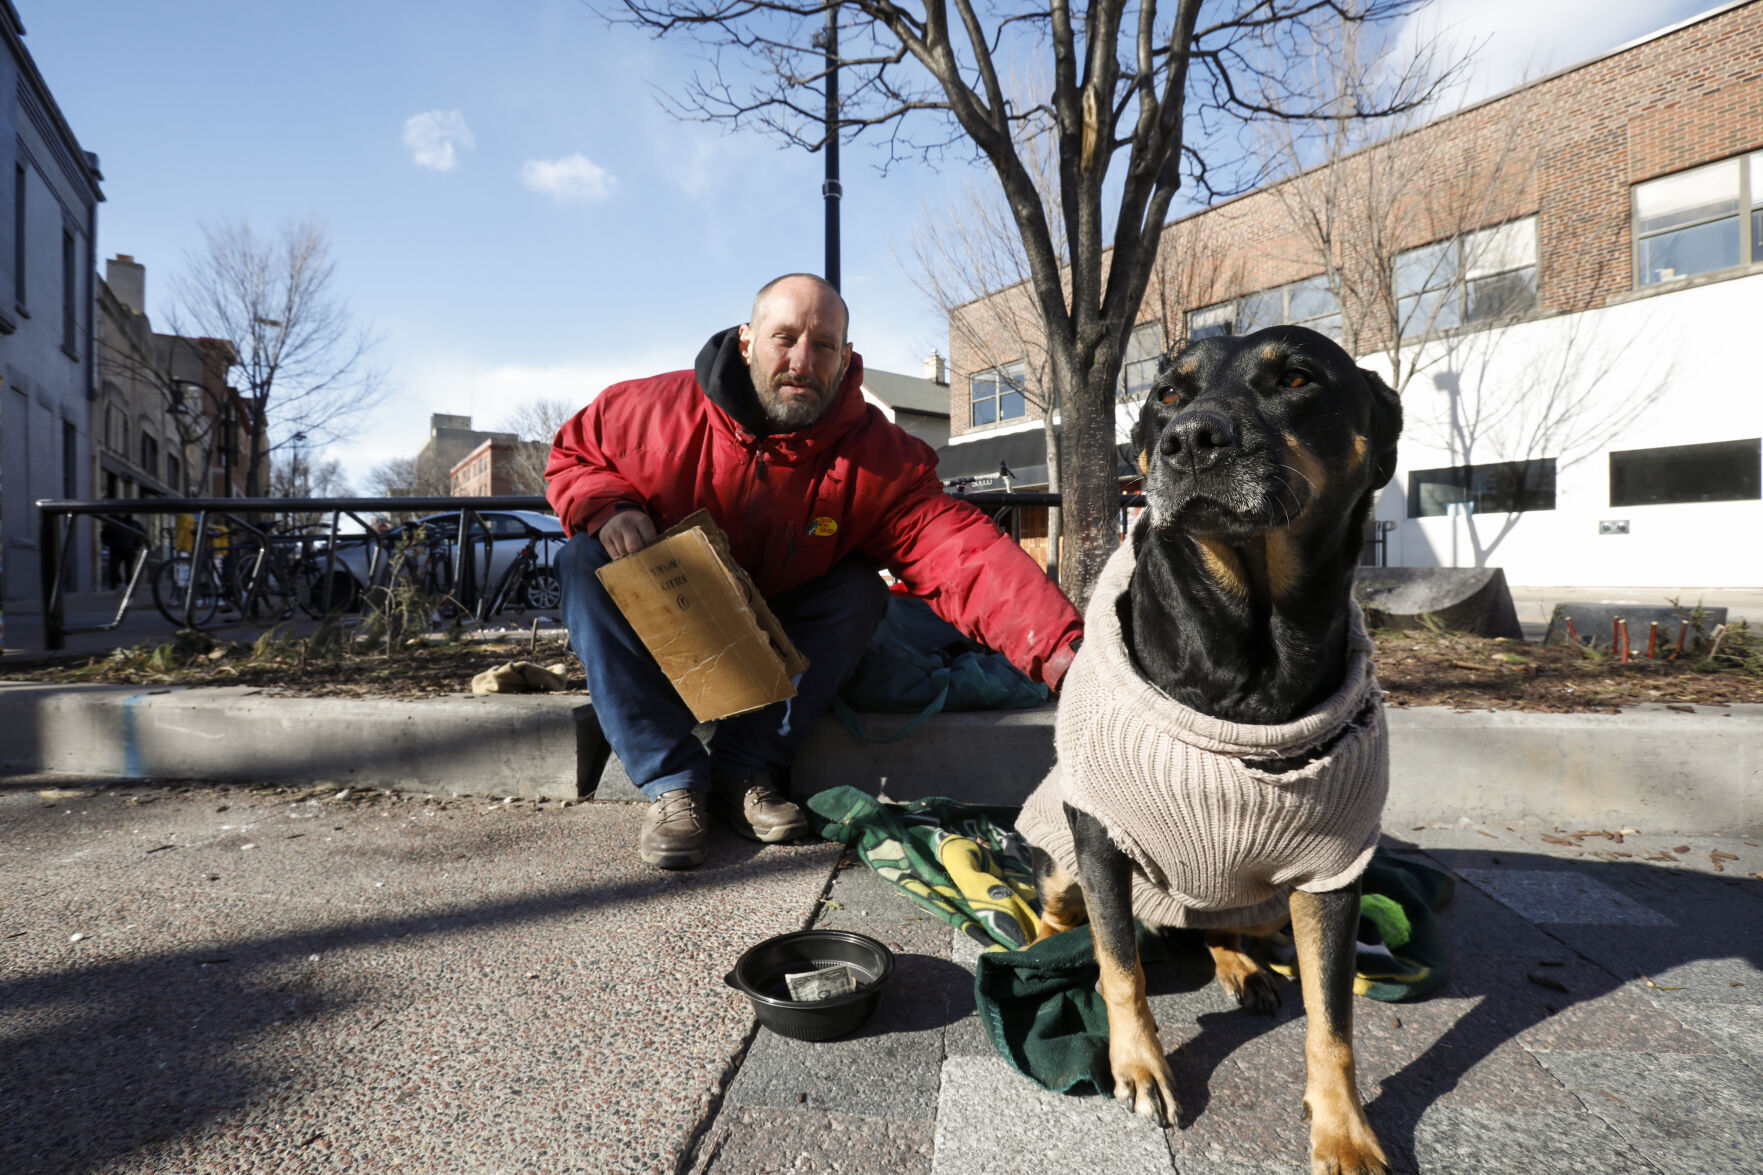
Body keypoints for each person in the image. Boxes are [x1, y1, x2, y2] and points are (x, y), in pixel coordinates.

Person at [546, 273, 1082, 868]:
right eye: (785, 338)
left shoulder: (878, 457)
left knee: (858, 591)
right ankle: (671, 780)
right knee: (582, 560)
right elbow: (573, 457)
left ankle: (744, 769)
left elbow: (963, 553)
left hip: (779, 640)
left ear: (846, 357)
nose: (802, 361)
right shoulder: (646, 409)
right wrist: (609, 506)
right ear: (747, 341)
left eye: (824, 345)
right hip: (674, 628)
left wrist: (1067, 654)